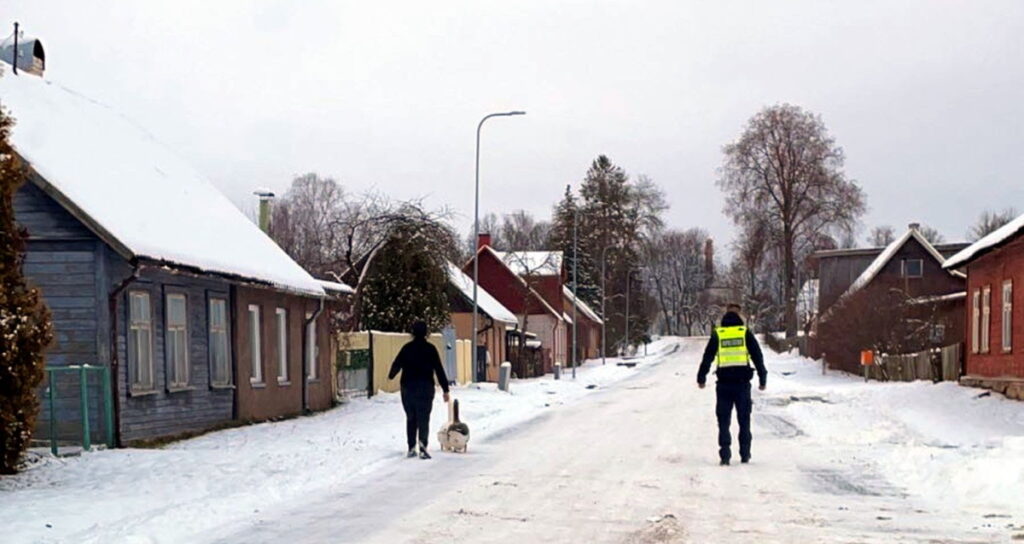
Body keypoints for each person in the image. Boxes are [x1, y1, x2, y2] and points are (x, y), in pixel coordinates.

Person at [697, 304, 767, 466]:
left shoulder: (719, 334)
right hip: (742, 385)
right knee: (744, 420)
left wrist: (701, 377)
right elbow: (757, 356)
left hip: (723, 385)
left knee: (723, 420)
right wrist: (763, 378)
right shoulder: (744, 333)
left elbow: (707, 357)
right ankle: (745, 454)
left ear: (725, 316)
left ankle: (725, 455)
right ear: (739, 316)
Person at [388, 321, 451, 459]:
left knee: (411, 418)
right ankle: (423, 446)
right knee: (424, 417)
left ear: (413, 332)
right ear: (426, 333)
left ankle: (411, 447)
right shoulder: (430, 349)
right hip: (425, 388)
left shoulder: (407, 348)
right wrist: (446, 390)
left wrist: (391, 374)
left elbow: (396, 364)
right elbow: (439, 370)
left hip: (408, 387)